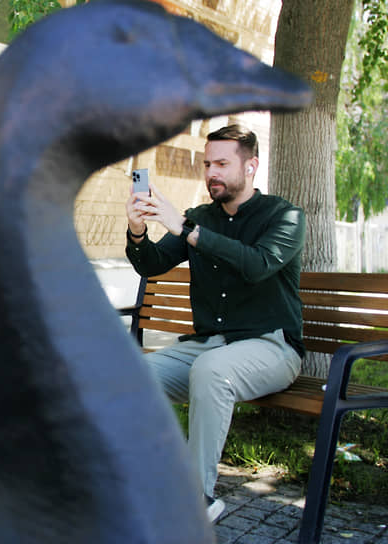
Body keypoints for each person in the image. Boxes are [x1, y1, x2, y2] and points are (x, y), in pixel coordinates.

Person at [124, 124, 306, 522]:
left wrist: (187, 229)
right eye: (208, 164)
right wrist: (138, 230)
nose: (211, 173)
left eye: (222, 163)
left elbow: (256, 264)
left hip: (271, 346)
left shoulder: (286, 216)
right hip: (209, 346)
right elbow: (151, 264)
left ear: (251, 166)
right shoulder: (201, 216)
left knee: (211, 371)